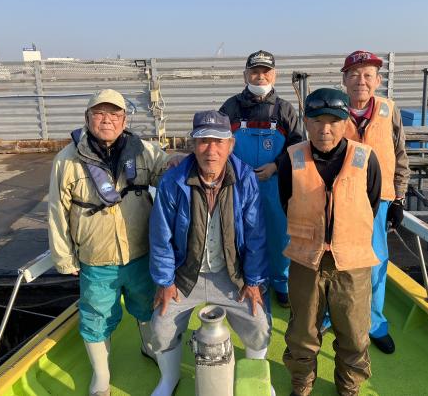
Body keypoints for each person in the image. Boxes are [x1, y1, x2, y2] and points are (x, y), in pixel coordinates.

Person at [48, 89, 170, 396]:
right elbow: (56, 211)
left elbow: (168, 172)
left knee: (148, 305)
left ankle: (149, 347)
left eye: (115, 114)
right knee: (96, 317)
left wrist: (187, 159)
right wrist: (64, 257)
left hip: (140, 253)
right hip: (96, 258)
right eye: (100, 113)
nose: (107, 120)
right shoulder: (67, 160)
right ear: (87, 118)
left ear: (124, 120)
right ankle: (101, 375)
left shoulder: (143, 150)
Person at [149, 110, 272, 396]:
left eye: (219, 141)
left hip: (230, 273)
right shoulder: (173, 181)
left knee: (259, 324)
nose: (211, 150)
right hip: (186, 274)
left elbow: (255, 234)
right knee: (161, 325)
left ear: (231, 145)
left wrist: (253, 280)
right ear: (193, 144)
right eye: (204, 141)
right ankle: (169, 379)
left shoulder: (245, 179)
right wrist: (166, 282)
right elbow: (161, 236)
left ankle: (255, 378)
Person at [278, 88, 382, 396]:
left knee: (354, 333)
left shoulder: (366, 158)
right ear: (306, 122)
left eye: (334, 121)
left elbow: (371, 203)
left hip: (352, 262)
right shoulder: (292, 159)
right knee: (302, 331)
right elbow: (286, 201)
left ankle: (349, 387)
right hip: (305, 260)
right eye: (317, 121)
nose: (325, 129)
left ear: (346, 121)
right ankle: (302, 383)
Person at [220, 50, 303, 307]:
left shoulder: (285, 110)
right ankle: (245, 279)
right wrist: (234, 170)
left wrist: (276, 166)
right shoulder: (230, 107)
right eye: (254, 72)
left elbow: (298, 148)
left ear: (274, 75)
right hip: (237, 185)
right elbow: (218, 143)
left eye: (265, 72)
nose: (260, 76)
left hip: (274, 186)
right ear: (245, 75)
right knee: (239, 234)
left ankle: (281, 282)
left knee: (279, 236)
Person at [340, 50, 410, 355]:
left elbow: (400, 155)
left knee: (376, 261)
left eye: (368, 75)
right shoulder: (333, 110)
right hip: (340, 199)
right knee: (336, 259)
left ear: (378, 80)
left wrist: (399, 198)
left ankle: (374, 322)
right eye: (354, 75)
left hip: (379, 201)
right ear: (344, 80)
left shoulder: (389, 110)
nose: (361, 81)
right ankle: (333, 314)